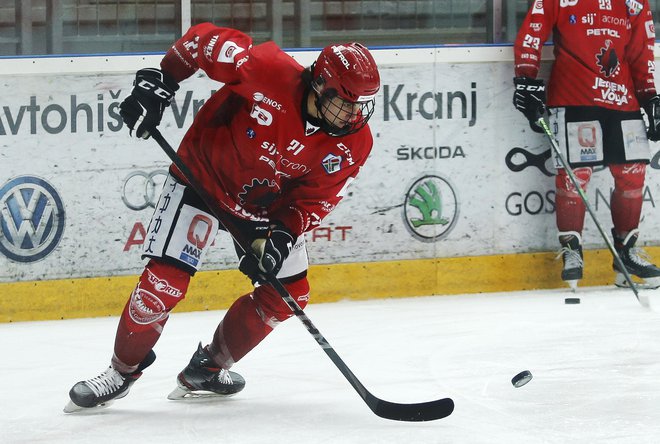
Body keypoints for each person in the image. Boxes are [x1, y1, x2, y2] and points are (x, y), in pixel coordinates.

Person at [64, 23, 380, 412]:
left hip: (263, 208)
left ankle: (207, 369)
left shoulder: (354, 144)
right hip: (202, 178)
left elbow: (313, 200)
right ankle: (120, 372)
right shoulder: (267, 70)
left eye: (361, 104)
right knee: (162, 284)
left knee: (289, 296)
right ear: (320, 85)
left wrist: (280, 237)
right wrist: (162, 81)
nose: (353, 114)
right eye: (346, 102)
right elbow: (200, 42)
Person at [512, 0, 660, 290]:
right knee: (575, 176)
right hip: (572, 95)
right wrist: (525, 79)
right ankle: (571, 248)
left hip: (622, 96)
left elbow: (642, 51)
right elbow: (531, 33)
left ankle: (626, 252)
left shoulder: (634, 2)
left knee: (632, 172)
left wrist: (649, 96)